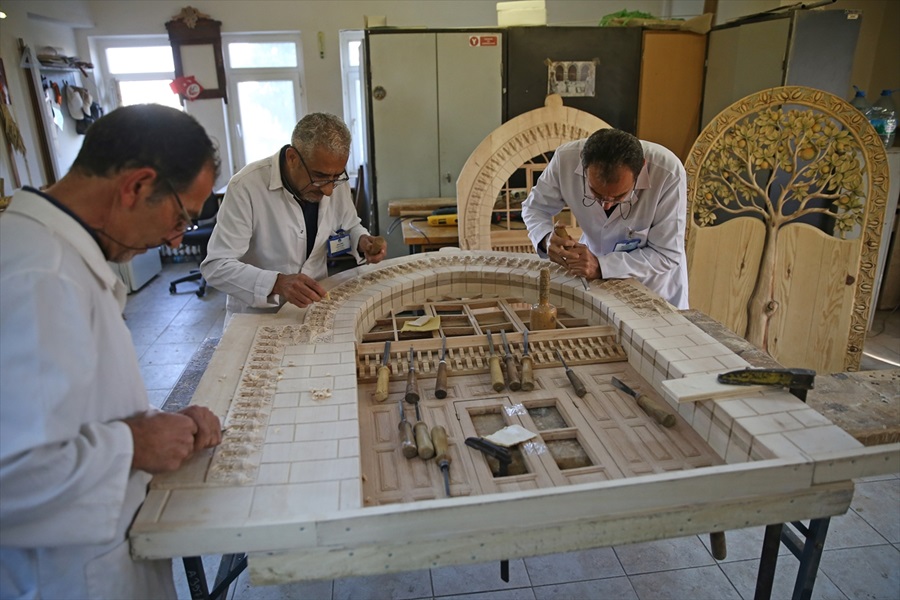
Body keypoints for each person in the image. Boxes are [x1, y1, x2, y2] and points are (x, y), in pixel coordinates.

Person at [0, 104, 223, 599]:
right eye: (180, 215)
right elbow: (11, 477)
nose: (177, 236)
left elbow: (77, 408)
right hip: (67, 577)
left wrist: (162, 424)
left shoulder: (50, 250)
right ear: (137, 186)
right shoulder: (40, 276)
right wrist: (136, 445)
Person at [201, 112, 387, 324]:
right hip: (258, 318)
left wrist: (361, 241)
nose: (328, 190)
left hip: (314, 311)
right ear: (292, 158)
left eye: (336, 177)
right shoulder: (246, 187)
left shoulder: (334, 181)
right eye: (319, 177)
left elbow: (350, 224)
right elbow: (216, 266)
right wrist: (276, 283)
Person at [521, 128, 689, 309]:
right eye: (595, 193)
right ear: (583, 167)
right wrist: (546, 239)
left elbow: (666, 254)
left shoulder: (668, 172)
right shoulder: (565, 159)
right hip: (593, 282)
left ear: (641, 168)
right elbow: (535, 208)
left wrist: (602, 266)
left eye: (619, 197)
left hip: (653, 287)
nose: (606, 205)